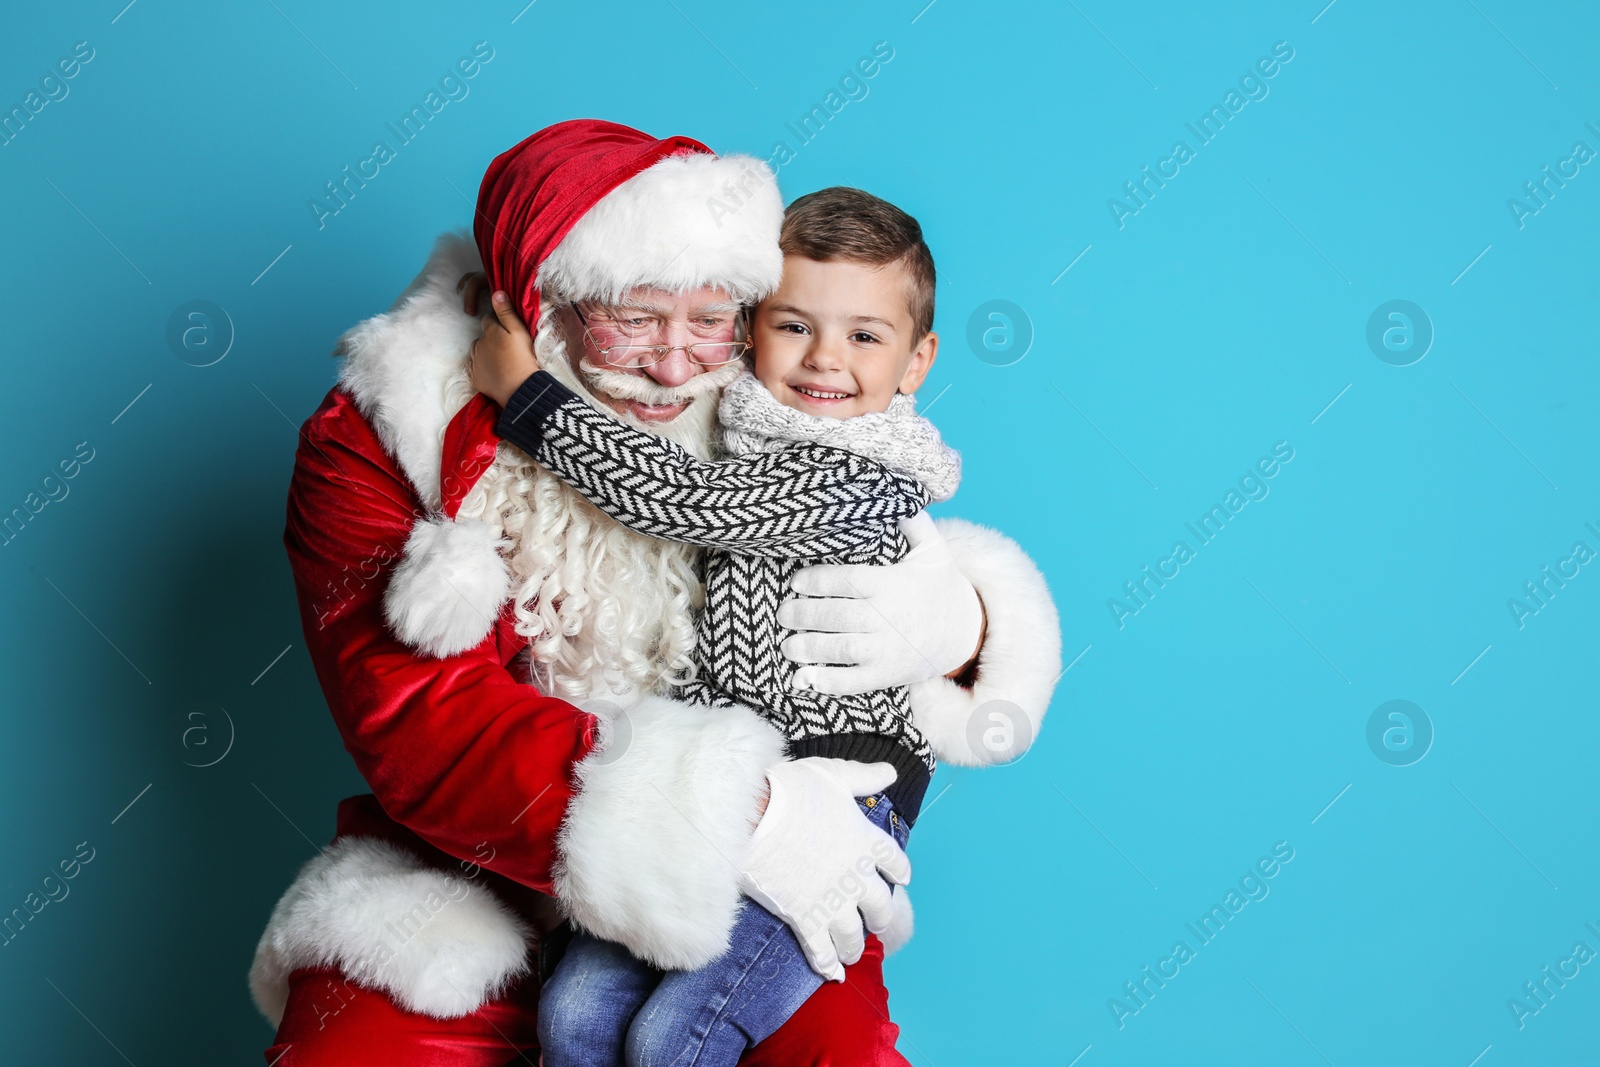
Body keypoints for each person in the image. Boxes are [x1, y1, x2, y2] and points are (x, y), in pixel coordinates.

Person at [249, 120, 1063, 1066]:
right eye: (632, 320)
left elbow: (838, 488)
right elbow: (429, 730)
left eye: (711, 320)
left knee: (814, 1047)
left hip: (807, 802)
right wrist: (737, 814)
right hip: (474, 869)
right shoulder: (387, 434)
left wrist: (963, 619)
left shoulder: (764, 380)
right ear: (543, 302)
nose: (676, 366)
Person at [468, 184, 984, 1066]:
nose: (826, 359)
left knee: (679, 1036)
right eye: (795, 325)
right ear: (749, 329)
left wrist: (528, 397)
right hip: (720, 783)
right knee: (576, 1015)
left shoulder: (857, 473)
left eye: (865, 335)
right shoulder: (742, 431)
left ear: (916, 360)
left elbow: (682, 501)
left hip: (837, 790)